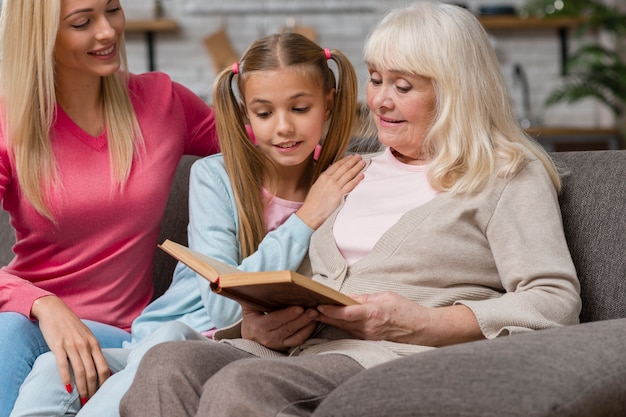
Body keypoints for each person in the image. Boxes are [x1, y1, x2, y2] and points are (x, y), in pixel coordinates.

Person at [119, 2, 582, 416]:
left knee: (244, 387)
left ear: (457, 91)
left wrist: (423, 322)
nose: (379, 100)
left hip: (390, 357)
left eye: (403, 86)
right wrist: (257, 325)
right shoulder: (349, 170)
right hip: (298, 351)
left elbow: (554, 300)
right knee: (166, 364)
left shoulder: (505, 176)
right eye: (377, 80)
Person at [9, 31, 364, 417]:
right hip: (156, 333)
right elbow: (224, 305)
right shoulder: (216, 176)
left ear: (328, 105)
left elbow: (229, 321)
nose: (283, 127)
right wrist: (306, 217)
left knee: (170, 342)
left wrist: (315, 207)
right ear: (246, 113)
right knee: (51, 368)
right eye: (264, 113)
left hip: (208, 346)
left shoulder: (340, 187)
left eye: (300, 109)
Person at [0, 0, 220, 415]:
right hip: (29, 327)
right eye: (83, 22)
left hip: (123, 335)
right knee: (9, 329)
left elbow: (261, 146)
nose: (107, 31)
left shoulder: (162, 102)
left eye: (113, 10)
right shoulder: (8, 119)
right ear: (41, 35)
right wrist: (44, 304)